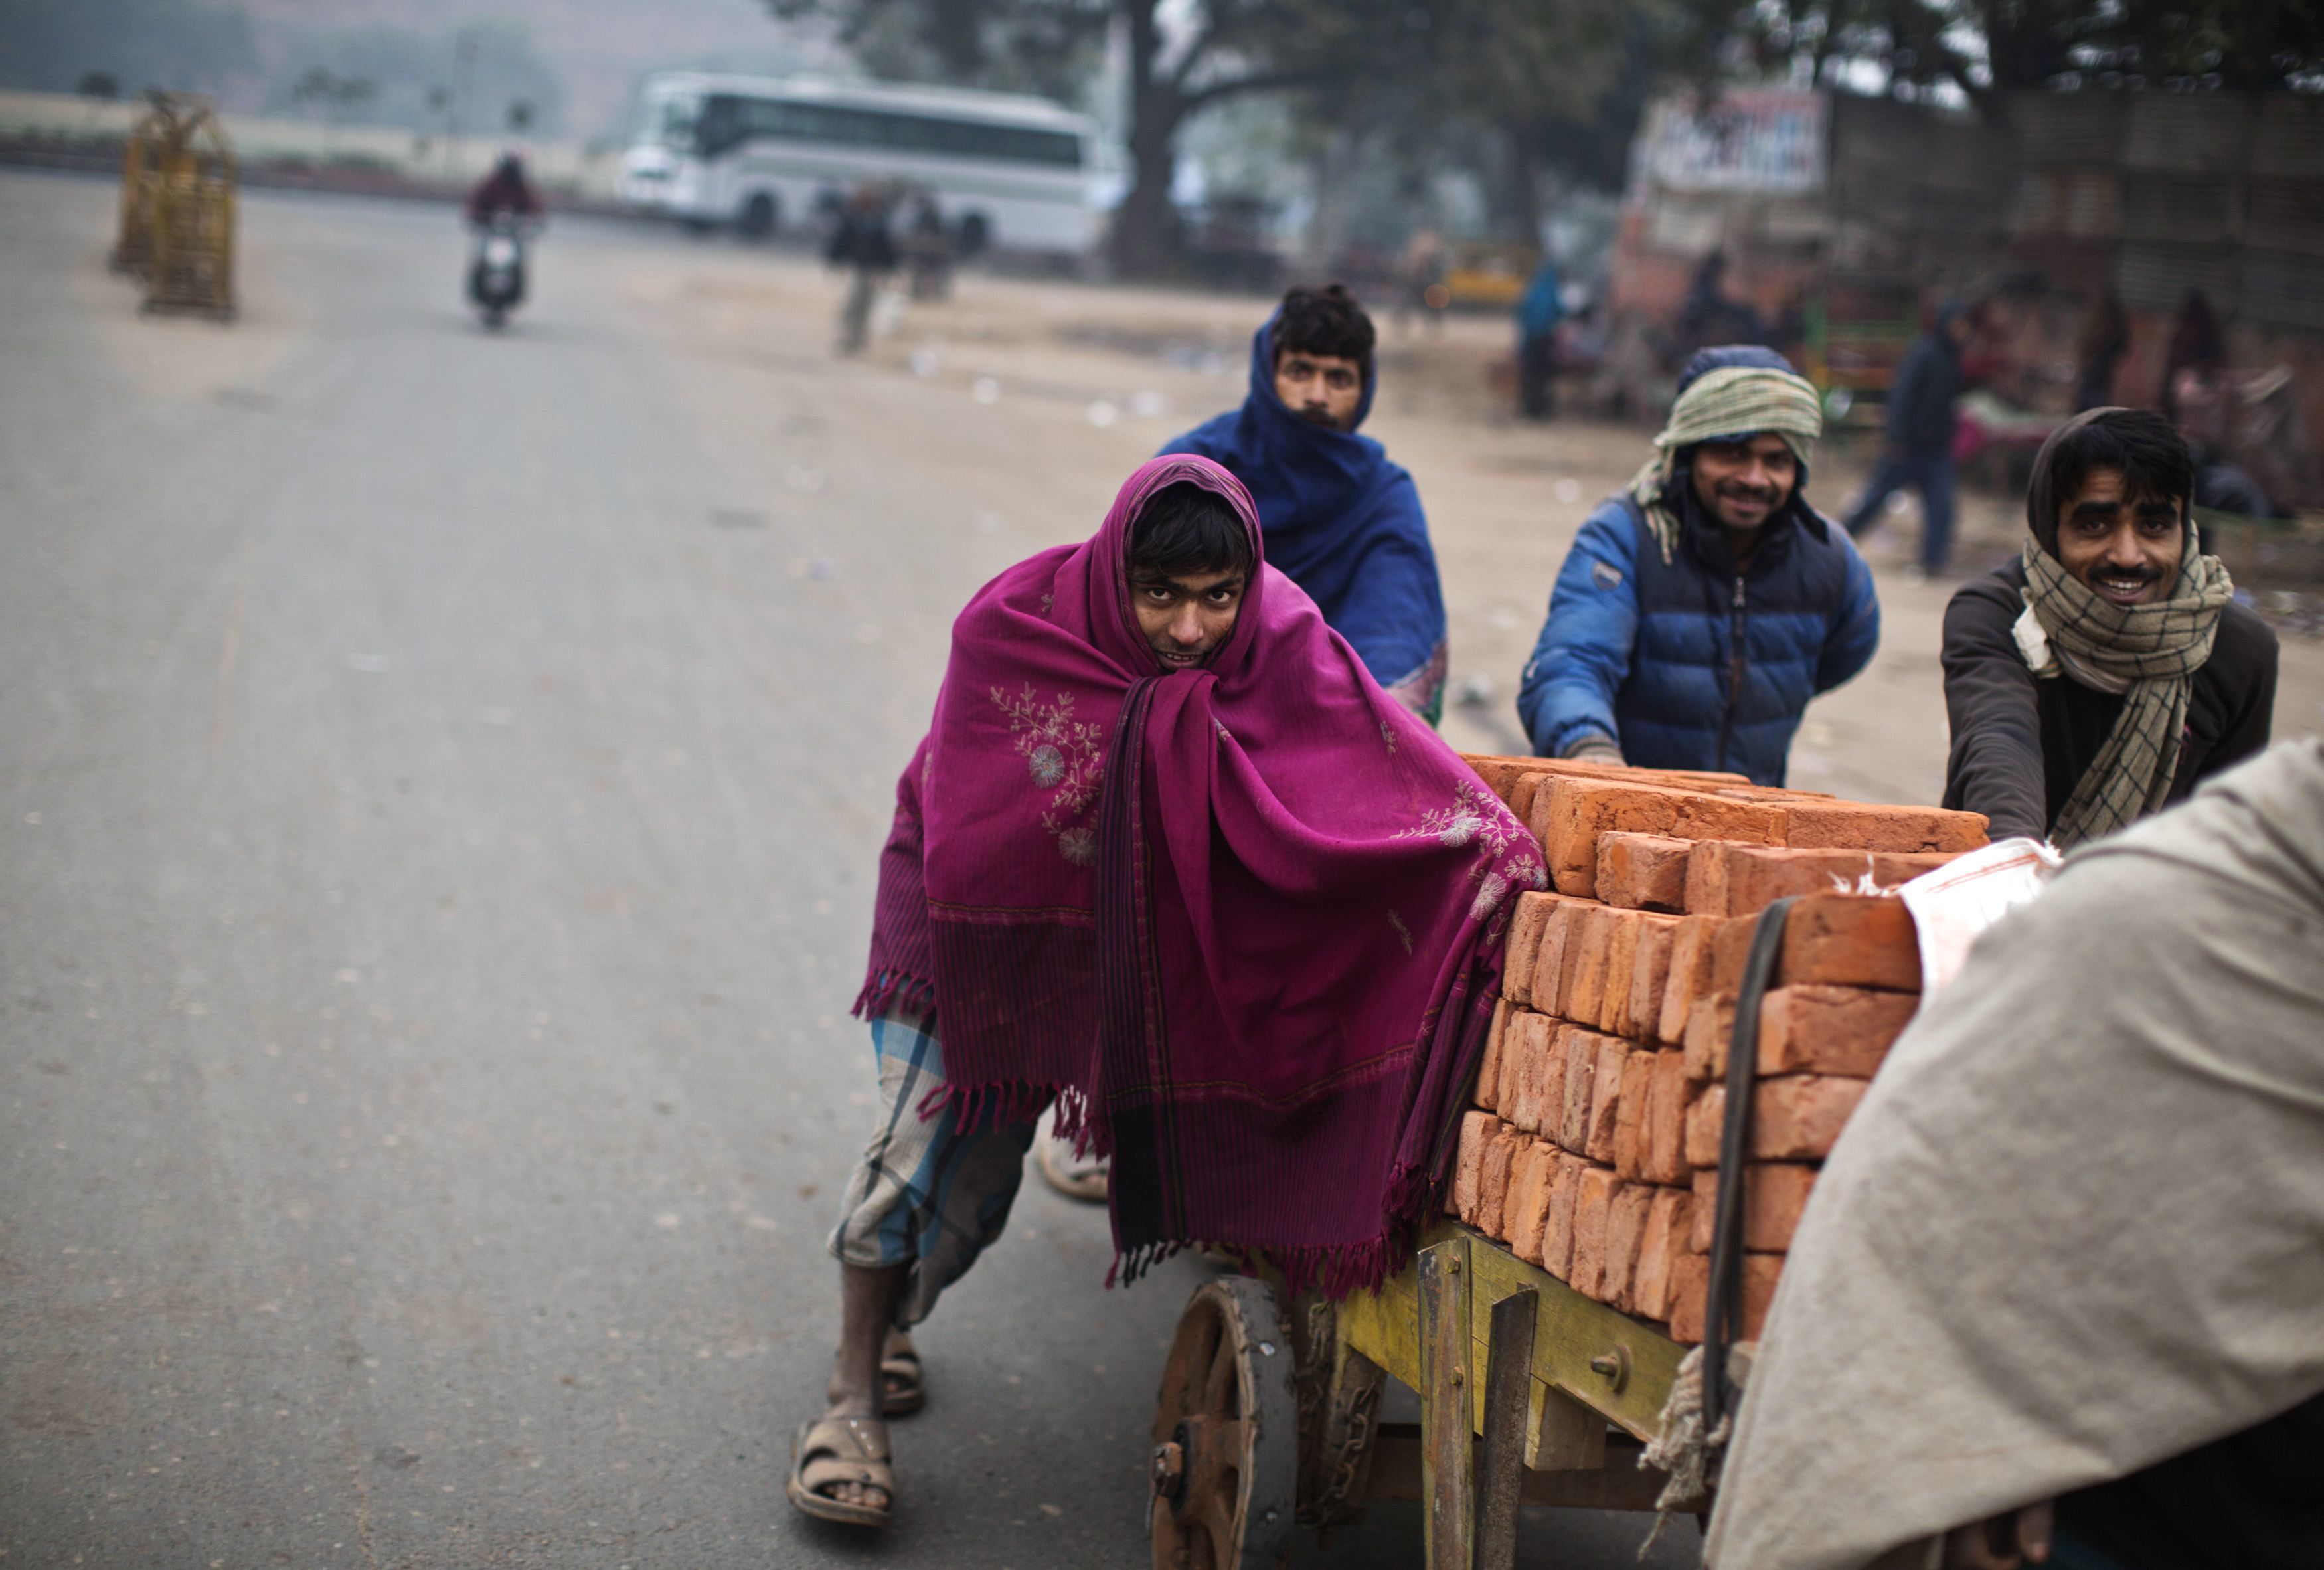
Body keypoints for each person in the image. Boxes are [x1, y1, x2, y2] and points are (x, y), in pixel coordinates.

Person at [786, 455, 1542, 1527]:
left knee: (977, 1204)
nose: (1191, 630)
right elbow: (979, 824)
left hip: (1137, 919)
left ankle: (898, 1311)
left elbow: (1372, 758)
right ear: (1118, 574)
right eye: (1163, 597)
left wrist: (1486, 839)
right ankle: (850, 1391)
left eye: (1215, 598)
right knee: (935, 1145)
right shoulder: (1015, 630)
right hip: (977, 912)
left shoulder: (1279, 637)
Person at [1704, 737, 2324, 1570]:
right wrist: (2014, 850)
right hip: (2098, 1494)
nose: (2123, 591)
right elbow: (1997, 734)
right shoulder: (2193, 923)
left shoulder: (2232, 661)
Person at [1515, 345, 1879, 786]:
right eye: (1733, 454)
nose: (1754, 478)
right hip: (1624, 807)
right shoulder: (1627, 535)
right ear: (1689, 456)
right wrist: (1591, 751)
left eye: (1777, 461)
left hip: (1752, 823)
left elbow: (1852, 644)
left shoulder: (1828, 555)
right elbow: (1572, 664)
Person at [1939, 408, 2276, 848]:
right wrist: (2016, 865)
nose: (2128, 555)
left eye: (2155, 525)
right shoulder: (1995, 613)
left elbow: (2230, 826)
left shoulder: (2237, 648)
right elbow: (1998, 739)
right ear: (2049, 527)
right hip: (2000, 884)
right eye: (2095, 525)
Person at [1160, 284, 1451, 723]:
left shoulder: (1381, 495)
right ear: (1267, 373)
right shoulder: (1195, 469)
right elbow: (1140, 603)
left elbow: (1395, 623)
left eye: (1339, 379)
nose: (1317, 395)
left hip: (1325, 717)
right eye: (1300, 371)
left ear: (1364, 389)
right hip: (1192, 710)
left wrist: (1370, 722)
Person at [1841, 298, 1975, 574]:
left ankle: (1933, 562)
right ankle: (1836, 545)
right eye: (1957, 324)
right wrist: (1897, 438)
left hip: (1936, 450)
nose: (1961, 331)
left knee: (1941, 507)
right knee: (1875, 498)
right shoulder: (1924, 353)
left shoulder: (1953, 359)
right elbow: (1901, 396)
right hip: (1908, 446)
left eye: (1965, 325)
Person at [827, 185, 898, 355]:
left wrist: (886, 268)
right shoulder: (855, 219)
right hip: (858, 268)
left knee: (865, 306)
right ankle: (849, 337)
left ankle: (857, 338)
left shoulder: (877, 221)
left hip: (871, 269)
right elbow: (842, 242)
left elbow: (887, 248)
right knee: (854, 305)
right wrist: (837, 260)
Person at [1516, 257, 1563, 420]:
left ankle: (1529, 409)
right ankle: (1540, 410)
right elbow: (1559, 312)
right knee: (1542, 377)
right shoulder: (1552, 292)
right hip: (1545, 341)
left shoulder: (1533, 291)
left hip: (1531, 341)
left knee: (1530, 375)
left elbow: (1522, 313)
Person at [2074, 290, 2129, 412]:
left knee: (2094, 398)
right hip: (2096, 374)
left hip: (2099, 373)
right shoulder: (2104, 328)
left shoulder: (2111, 330)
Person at [464, 150, 540, 226]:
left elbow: (535, 209)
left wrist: (529, 219)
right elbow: (474, 206)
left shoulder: (523, 188)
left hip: (516, 231)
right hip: (489, 229)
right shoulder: (490, 185)